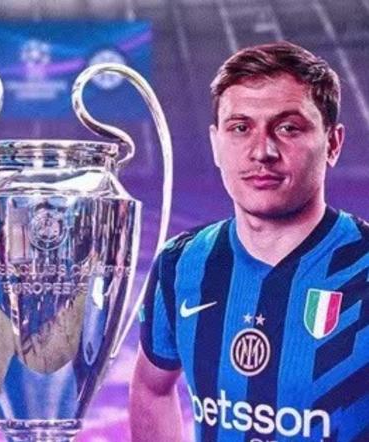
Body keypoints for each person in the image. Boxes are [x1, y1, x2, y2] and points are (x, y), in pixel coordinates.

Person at [130, 41, 368, 442]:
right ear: (216, 143)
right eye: (241, 128)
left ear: (333, 143)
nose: (262, 151)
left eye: (288, 127)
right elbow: (152, 388)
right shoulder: (182, 263)